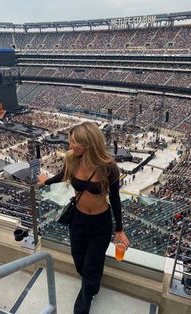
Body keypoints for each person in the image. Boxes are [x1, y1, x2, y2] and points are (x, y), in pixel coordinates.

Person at [39, 121, 129, 314]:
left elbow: (115, 198)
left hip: (100, 223)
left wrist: (119, 230)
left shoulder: (109, 167)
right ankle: (92, 283)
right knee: (79, 260)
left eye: (74, 142)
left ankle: (82, 307)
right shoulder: (73, 158)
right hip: (78, 220)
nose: (70, 146)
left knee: (90, 266)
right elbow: (64, 175)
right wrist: (46, 181)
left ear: (88, 143)